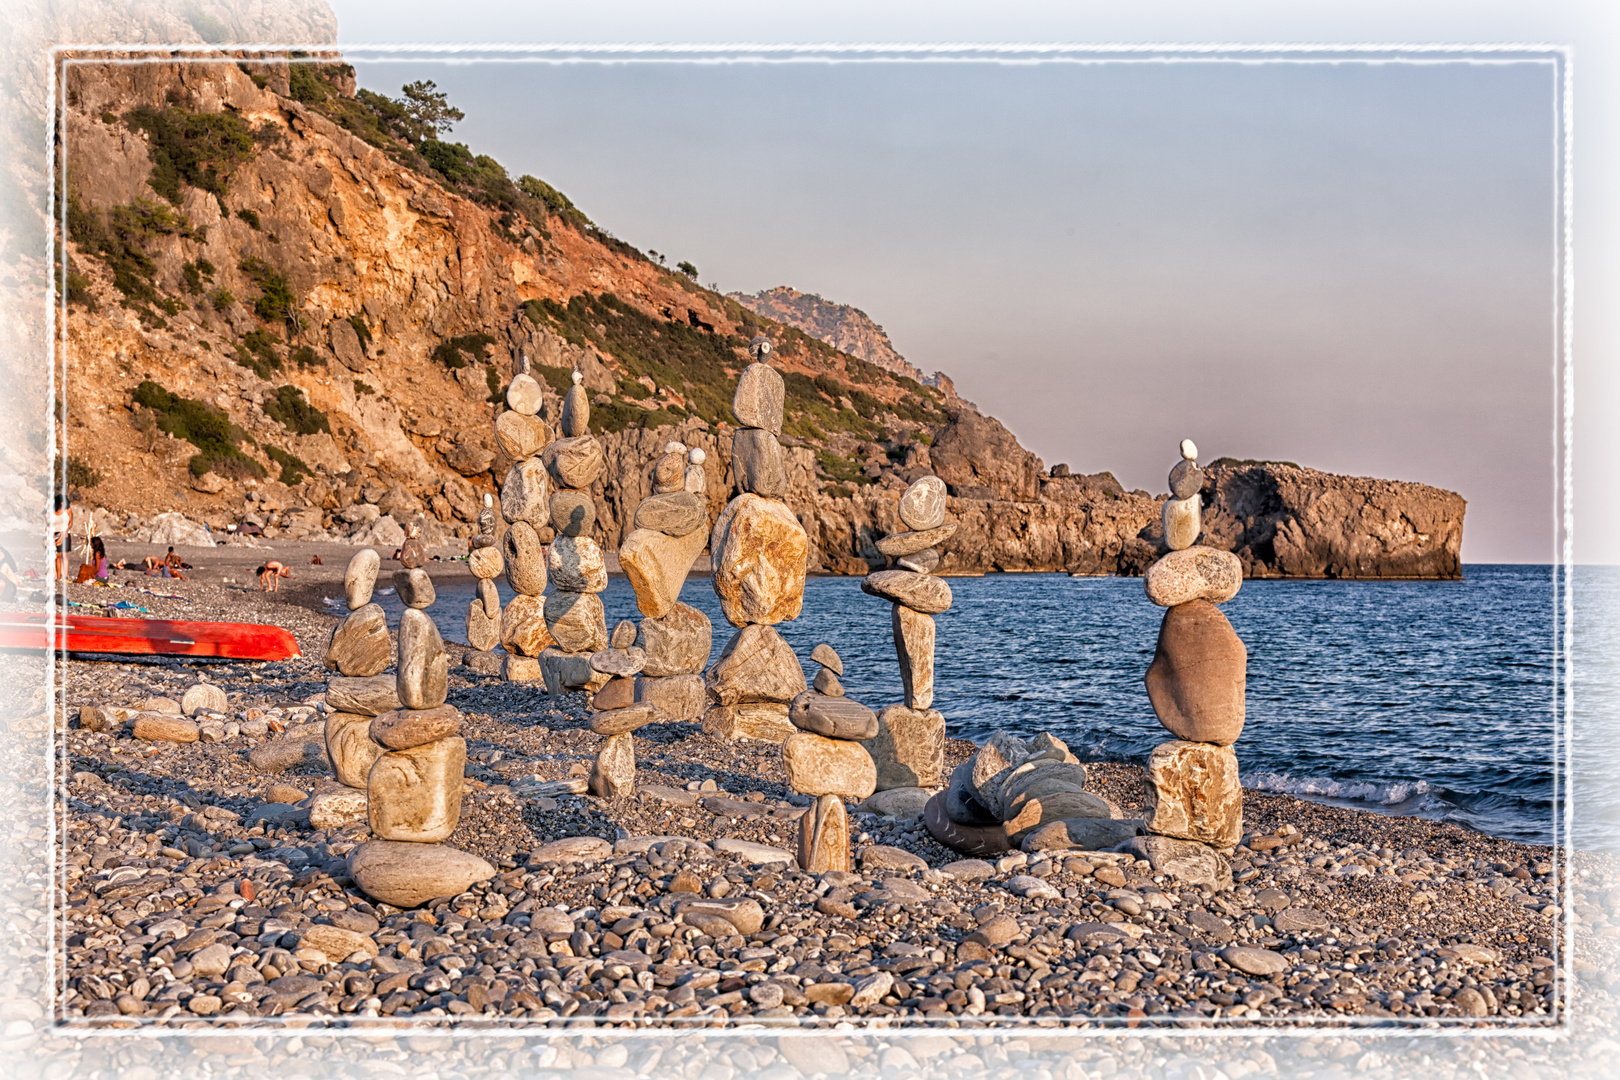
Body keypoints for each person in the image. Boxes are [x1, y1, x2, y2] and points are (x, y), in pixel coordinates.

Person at [50, 494, 73, 581]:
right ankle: (57, 574)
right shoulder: (52, 511)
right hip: (55, 533)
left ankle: (65, 574)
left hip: (65, 533)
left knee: (65, 554)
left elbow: (70, 523)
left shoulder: (68, 510)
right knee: (57, 555)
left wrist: (66, 531)